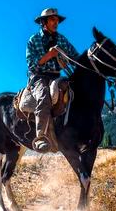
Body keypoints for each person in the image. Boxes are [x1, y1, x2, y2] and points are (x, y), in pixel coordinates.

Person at [26, 8, 80, 152]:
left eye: (57, 20)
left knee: (75, 92)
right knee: (44, 96)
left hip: (56, 76)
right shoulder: (34, 40)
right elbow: (31, 64)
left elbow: (75, 57)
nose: (56, 23)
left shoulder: (61, 39)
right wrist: (49, 55)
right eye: (52, 20)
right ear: (44, 22)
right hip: (38, 77)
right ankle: (41, 137)